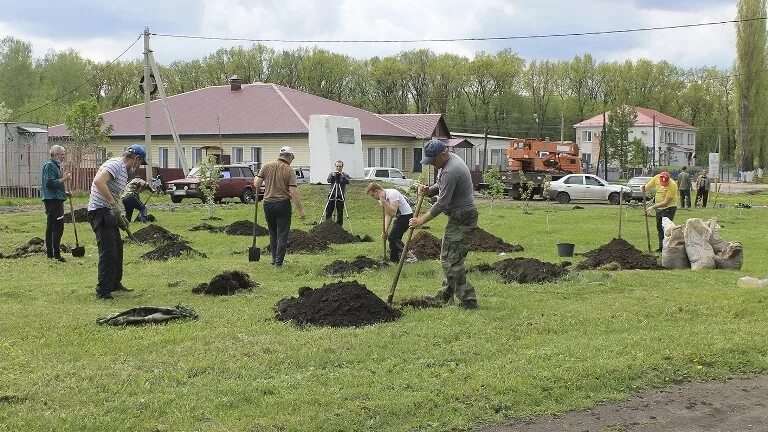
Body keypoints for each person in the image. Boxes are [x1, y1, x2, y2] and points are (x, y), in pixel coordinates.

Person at [409, 139, 478, 309]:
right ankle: (444, 296)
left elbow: (442, 203)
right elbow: (443, 185)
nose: (432, 164)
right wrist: (430, 190)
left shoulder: (450, 171)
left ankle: (468, 300)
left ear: (443, 155)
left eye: (433, 160)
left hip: (462, 218)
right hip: (460, 216)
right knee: (452, 258)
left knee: (450, 261)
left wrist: (421, 220)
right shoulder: (449, 162)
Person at [87, 144, 146, 299]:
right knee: (108, 252)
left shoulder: (123, 172)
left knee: (117, 249)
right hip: (100, 212)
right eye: (140, 163)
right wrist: (113, 204)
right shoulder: (115, 164)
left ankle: (114, 283)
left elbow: (115, 194)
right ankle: (103, 291)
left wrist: (120, 215)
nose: (139, 167)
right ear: (136, 158)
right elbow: (99, 181)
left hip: (109, 212)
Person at [253, 146, 306, 267]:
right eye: (292, 157)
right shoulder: (289, 170)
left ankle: (273, 259)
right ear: (288, 157)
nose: (292, 160)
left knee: (272, 232)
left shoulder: (266, 166)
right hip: (282, 205)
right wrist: (301, 210)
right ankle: (278, 263)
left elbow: (257, 184)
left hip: (268, 204)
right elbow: (293, 192)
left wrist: (257, 176)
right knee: (282, 233)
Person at [366, 182, 417, 263]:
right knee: (393, 239)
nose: (373, 198)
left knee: (393, 238)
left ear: (376, 191)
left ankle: (411, 257)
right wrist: (385, 230)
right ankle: (394, 260)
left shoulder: (392, 193)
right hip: (400, 217)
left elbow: (393, 212)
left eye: (372, 195)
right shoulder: (381, 199)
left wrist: (383, 201)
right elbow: (388, 215)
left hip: (406, 216)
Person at [41, 145, 72, 262]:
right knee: (57, 227)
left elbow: (56, 185)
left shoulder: (56, 166)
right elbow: (49, 183)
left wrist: (65, 192)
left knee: (51, 226)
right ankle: (56, 255)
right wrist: (64, 179)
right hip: (52, 200)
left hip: (56, 198)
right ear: (56, 155)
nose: (64, 156)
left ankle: (51, 254)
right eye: (63, 154)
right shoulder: (49, 166)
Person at [641, 171, 678, 253]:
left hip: (669, 208)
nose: (664, 184)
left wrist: (653, 207)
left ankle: (667, 247)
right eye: (662, 182)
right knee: (659, 226)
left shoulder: (673, 185)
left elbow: (666, 202)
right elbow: (647, 187)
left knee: (666, 227)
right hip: (658, 207)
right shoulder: (656, 178)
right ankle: (661, 247)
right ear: (660, 178)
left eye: (666, 182)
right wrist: (643, 188)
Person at [325, 160, 350, 225]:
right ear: (335, 166)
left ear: (342, 167)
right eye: (337, 166)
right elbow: (328, 180)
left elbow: (348, 182)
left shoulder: (345, 174)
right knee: (329, 211)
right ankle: (327, 225)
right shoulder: (332, 173)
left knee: (340, 212)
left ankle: (339, 227)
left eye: (340, 166)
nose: (338, 168)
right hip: (332, 194)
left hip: (340, 195)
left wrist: (342, 176)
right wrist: (333, 176)